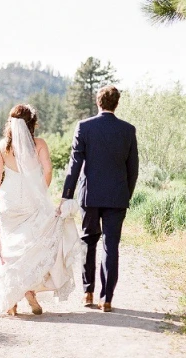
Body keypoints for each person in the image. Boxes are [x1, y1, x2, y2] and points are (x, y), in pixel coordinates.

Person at [0, 103, 83, 316]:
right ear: (33, 123)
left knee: (9, 251)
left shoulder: (3, 146)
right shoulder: (39, 144)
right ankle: (30, 291)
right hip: (31, 200)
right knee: (30, 247)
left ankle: (11, 301)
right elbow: (48, 171)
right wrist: (40, 192)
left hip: (9, 201)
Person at [59, 86, 139, 312]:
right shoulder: (128, 130)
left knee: (88, 241)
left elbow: (74, 165)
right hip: (117, 197)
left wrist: (67, 196)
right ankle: (107, 299)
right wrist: (126, 194)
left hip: (90, 196)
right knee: (110, 245)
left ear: (98, 102)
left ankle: (88, 293)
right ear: (117, 103)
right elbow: (133, 170)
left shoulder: (84, 127)